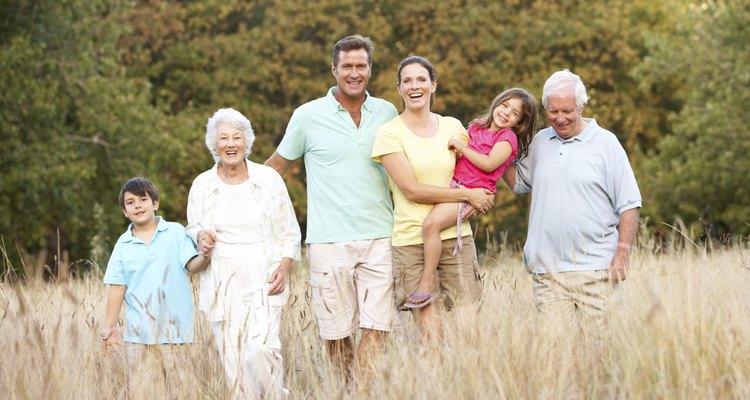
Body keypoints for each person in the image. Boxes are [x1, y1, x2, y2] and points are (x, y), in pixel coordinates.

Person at [265, 35, 399, 378]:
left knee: (377, 327)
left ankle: (363, 391)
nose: (354, 73)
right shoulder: (307, 115)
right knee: (336, 334)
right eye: (347, 67)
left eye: (361, 66)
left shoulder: (386, 112)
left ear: (370, 69)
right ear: (334, 70)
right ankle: (347, 387)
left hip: (380, 237)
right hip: (328, 241)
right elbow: (274, 169)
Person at [503, 69, 641, 326]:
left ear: (581, 106)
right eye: (553, 111)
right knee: (556, 356)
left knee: (598, 352)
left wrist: (623, 251)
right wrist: (496, 142)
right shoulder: (540, 142)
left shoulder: (606, 143)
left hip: (597, 270)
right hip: (548, 272)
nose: (560, 118)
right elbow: (518, 183)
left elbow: (629, 203)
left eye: (567, 111)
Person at [371, 56, 492, 342]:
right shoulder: (389, 133)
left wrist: (476, 202)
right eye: (407, 81)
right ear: (399, 89)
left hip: (457, 240)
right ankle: (432, 387)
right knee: (432, 340)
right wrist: (466, 196)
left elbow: (477, 177)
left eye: (421, 79)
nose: (415, 86)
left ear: (433, 85)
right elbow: (411, 189)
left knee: (468, 337)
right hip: (411, 242)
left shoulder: (453, 127)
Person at [187, 108, 301, 399]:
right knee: (234, 359)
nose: (230, 144)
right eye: (223, 138)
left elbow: (289, 229)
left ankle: (276, 395)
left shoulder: (268, 180)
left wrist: (285, 266)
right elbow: (193, 227)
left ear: (247, 142)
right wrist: (201, 237)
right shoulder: (202, 184)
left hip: (264, 273)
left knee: (263, 348)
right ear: (214, 144)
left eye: (237, 137)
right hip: (222, 279)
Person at [407, 88, 539, 308]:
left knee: (430, 225)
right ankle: (432, 279)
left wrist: (461, 147)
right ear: (497, 102)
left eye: (515, 113)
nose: (506, 113)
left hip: (472, 194)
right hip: (455, 186)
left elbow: (489, 164)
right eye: (505, 105)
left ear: (520, 123)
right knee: (425, 216)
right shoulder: (476, 127)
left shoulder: (507, 138)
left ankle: (426, 282)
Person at [100, 177, 211, 395]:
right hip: (139, 337)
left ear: (155, 203)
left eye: (143, 199)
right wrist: (110, 327)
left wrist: (205, 255)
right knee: (146, 393)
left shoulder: (176, 232)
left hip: (177, 333)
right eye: (130, 202)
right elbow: (117, 287)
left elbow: (193, 265)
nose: (138, 205)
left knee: (185, 393)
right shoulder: (123, 245)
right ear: (124, 211)